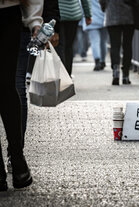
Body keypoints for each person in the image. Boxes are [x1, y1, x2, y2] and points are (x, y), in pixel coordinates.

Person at [10, 0, 60, 174]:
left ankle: (14, 155)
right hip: (21, 19)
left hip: (20, 21)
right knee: (16, 86)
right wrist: (47, 22)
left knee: (16, 86)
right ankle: (16, 155)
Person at [0, 0, 43, 191]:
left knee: (6, 85)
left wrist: (35, 20)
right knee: (7, 85)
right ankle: (18, 161)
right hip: (8, 13)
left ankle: (14, 159)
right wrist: (34, 20)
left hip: (8, 13)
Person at [100, 0, 139, 85]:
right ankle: (125, 75)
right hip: (128, 15)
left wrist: (104, 7)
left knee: (114, 45)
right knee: (127, 45)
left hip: (112, 14)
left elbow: (102, 1)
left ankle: (116, 70)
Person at [55, 0, 92, 77]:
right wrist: (88, 14)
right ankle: (68, 74)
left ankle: (61, 74)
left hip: (57, 13)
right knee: (68, 46)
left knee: (59, 45)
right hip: (73, 14)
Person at [82, 0, 108, 71]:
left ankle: (97, 61)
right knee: (104, 42)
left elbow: (82, 4)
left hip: (91, 19)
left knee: (94, 41)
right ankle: (102, 61)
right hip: (104, 18)